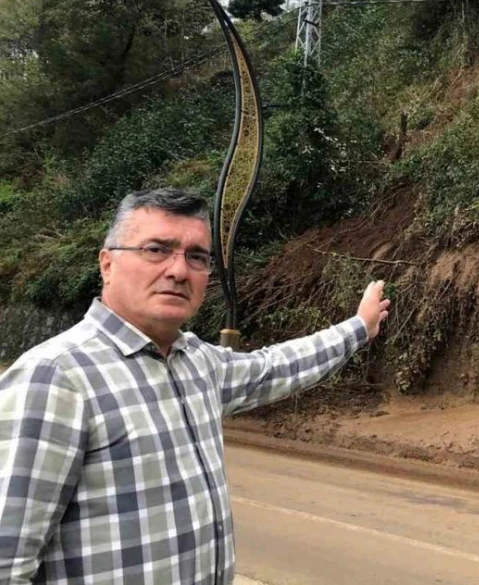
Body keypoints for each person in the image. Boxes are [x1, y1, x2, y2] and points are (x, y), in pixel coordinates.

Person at [0, 188, 391, 584]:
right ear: (107, 264)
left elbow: (274, 368)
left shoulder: (197, 362)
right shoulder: (55, 377)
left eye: (196, 257)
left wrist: (358, 328)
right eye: (156, 249)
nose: (178, 270)